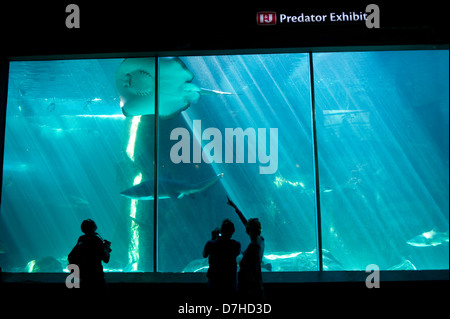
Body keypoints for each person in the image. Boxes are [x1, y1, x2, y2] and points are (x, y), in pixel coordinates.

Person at [227, 196, 265, 300]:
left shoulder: (253, 245)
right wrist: (235, 207)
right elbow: (247, 223)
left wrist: (240, 255)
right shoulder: (261, 240)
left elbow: (243, 263)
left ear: (249, 230)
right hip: (256, 277)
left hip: (249, 282)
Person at [68, 219, 111, 296]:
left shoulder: (81, 239)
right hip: (96, 275)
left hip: (83, 275)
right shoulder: (97, 239)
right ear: (93, 227)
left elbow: (70, 255)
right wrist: (106, 247)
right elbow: (106, 259)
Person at [203, 219, 241, 301]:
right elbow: (235, 252)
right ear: (233, 231)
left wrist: (214, 238)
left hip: (214, 281)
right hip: (230, 282)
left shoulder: (211, 243)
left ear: (221, 230)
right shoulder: (236, 245)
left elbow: (204, 255)